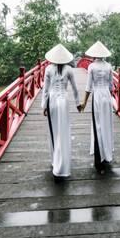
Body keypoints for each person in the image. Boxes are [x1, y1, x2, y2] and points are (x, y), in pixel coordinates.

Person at [42, 43, 82, 180]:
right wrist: (78, 104)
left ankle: (55, 161)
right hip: (64, 101)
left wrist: (44, 106)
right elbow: (76, 89)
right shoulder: (69, 70)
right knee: (63, 131)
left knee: (53, 130)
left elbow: (45, 90)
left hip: (52, 101)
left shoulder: (48, 69)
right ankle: (63, 163)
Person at [80, 41, 114, 174]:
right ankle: (107, 156)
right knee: (106, 126)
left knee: (97, 127)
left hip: (98, 97)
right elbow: (111, 86)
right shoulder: (109, 66)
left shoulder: (92, 66)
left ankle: (98, 162)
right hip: (107, 97)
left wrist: (84, 102)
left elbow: (88, 87)